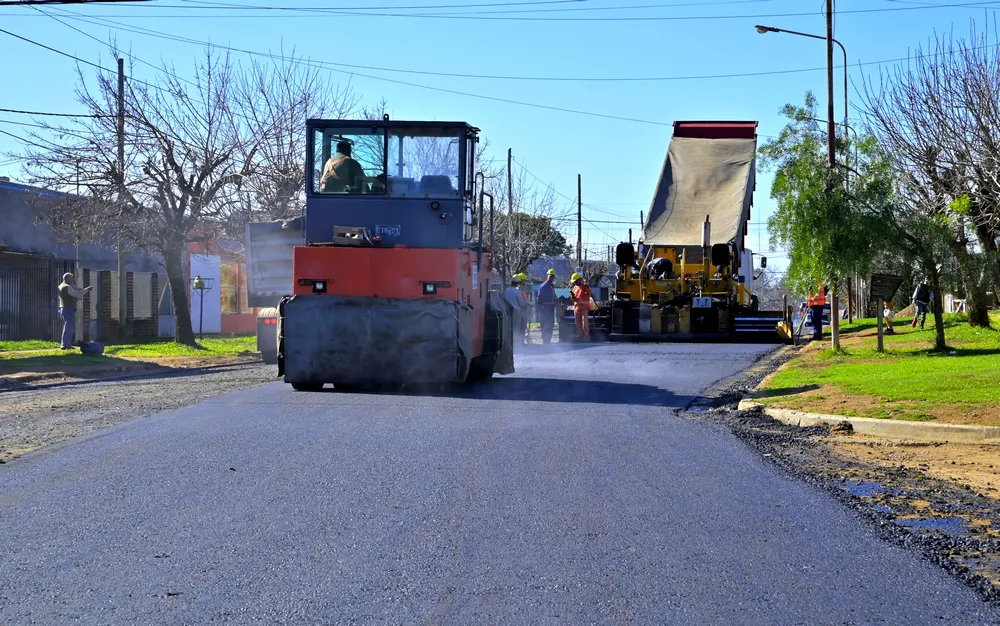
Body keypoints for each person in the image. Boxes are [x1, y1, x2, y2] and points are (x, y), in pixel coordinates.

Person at [57, 273, 92, 350]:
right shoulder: (68, 287)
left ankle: (68, 344)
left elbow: (75, 291)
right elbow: (78, 294)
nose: (73, 280)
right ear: (67, 279)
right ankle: (64, 345)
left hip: (63, 308)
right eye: (71, 278)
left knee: (68, 327)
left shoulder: (61, 286)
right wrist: (87, 289)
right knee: (68, 328)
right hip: (68, 309)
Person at [503, 274, 529, 347]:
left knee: (509, 328)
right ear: (518, 283)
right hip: (516, 312)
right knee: (516, 329)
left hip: (507, 312)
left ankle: (510, 344)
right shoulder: (517, 292)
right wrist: (527, 304)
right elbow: (521, 303)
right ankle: (517, 344)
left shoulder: (506, 290)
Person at [536, 269, 557, 344]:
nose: (551, 278)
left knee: (550, 324)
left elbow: (554, 296)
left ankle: (548, 340)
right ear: (547, 276)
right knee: (545, 324)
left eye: (553, 276)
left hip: (551, 309)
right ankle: (545, 340)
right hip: (545, 309)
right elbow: (539, 298)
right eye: (550, 276)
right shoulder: (543, 286)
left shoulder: (552, 286)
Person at [570, 272, 591, 341]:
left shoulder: (585, 287)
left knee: (584, 324)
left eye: (575, 281)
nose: (574, 283)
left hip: (584, 308)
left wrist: (586, 288)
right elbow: (574, 298)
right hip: (577, 308)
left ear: (579, 280)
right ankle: (580, 336)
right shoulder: (575, 288)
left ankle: (586, 337)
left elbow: (588, 294)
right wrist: (572, 296)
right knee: (578, 324)